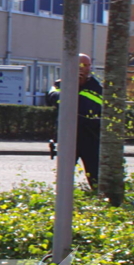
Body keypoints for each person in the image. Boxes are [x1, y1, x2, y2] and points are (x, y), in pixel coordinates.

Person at [46, 53, 103, 188]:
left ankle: (96, 195)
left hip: (91, 138)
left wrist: (74, 93)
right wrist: (73, 86)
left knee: (95, 176)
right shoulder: (60, 84)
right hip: (67, 137)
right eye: (82, 65)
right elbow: (53, 99)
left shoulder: (96, 87)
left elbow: (91, 106)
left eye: (88, 65)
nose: (86, 68)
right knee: (64, 177)